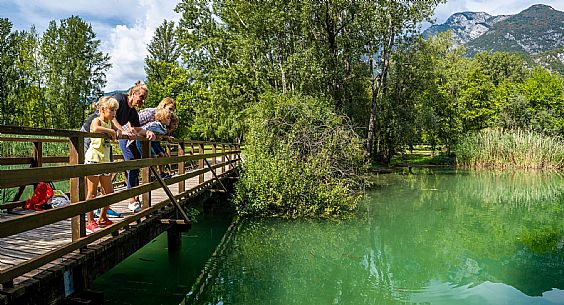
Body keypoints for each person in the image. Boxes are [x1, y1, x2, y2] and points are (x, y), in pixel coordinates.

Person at [81, 81, 156, 213]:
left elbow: (137, 128)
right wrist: (122, 131)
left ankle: (104, 209)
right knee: (88, 171)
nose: (143, 102)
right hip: (90, 134)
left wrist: (148, 132)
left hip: (105, 140)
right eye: (141, 97)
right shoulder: (118, 98)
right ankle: (86, 210)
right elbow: (112, 118)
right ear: (133, 94)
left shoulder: (132, 112)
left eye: (144, 99)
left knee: (107, 170)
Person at [84, 96, 122, 233]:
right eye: (112, 110)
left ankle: (102, 218)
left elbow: (116, 133)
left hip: (105, 161)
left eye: (115, 111)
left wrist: (116, 131)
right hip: (94, 159)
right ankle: (90, 221)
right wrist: (111, 131)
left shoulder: (109, 123)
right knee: (92, 193)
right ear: (102, 109)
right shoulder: (97, 120)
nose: (114, 114)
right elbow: (94, 129)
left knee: (109, 192)